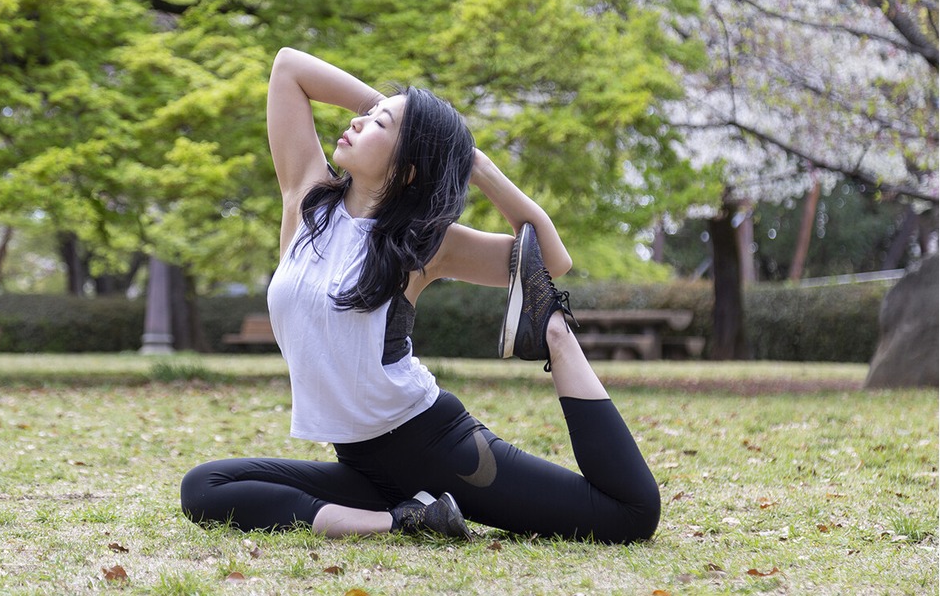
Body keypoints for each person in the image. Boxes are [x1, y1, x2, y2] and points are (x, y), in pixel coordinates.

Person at [179, 48, 660, 543]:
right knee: (205, 487)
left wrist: (475, 165)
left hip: (438, 449)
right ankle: (409, 519)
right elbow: (288, 68)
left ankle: (553, 333)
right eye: (366, 116)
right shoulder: (306, 200)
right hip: (361, 464)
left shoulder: (423, 244)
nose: (356, 121)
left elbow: (550, 260)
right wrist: (401, 112)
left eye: (376, 124)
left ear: (409, 167)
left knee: (629, 515)